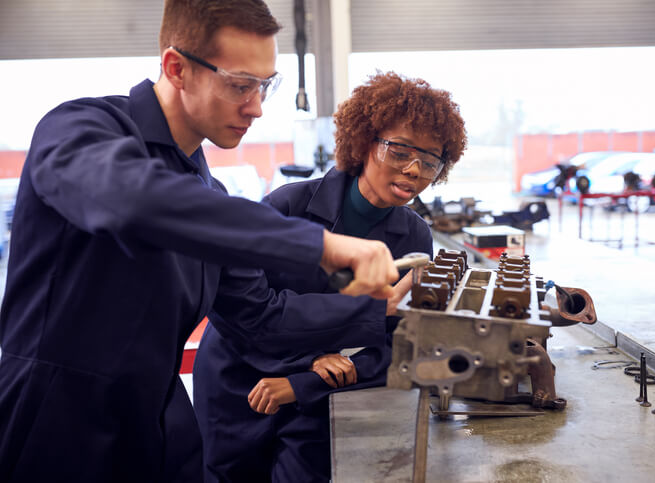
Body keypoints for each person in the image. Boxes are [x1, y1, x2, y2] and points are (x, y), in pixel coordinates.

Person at [0, 1, 401, 482]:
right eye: (240, 85)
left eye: (264, 85)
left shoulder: (207, 193)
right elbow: (134, 200)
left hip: (159, 418)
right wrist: (320, 244)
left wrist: (379, 310)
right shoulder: (80, 131)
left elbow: (258, 316)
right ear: (177, 68)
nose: (255, 107)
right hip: (54, 421)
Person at [193, 71, 468, 482]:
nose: (413, 170)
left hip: (319, 392)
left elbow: (401, 343)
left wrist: (305, 382)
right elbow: (237, 308)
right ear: (365, 142)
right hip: (241, 379)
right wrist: (305, 362)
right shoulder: (287, 206)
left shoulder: (413, 236)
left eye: (429, 162)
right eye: (399, 152)